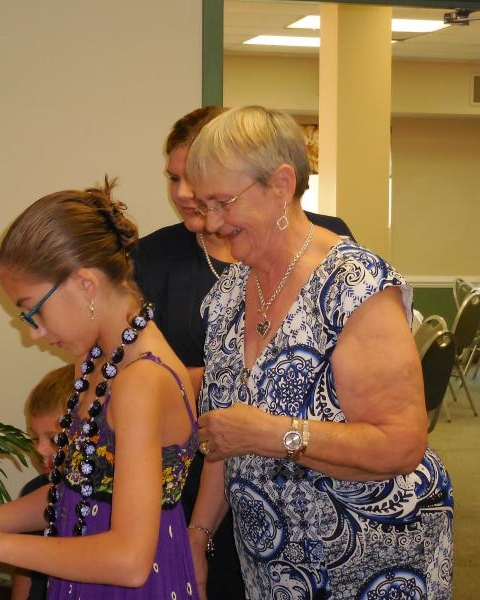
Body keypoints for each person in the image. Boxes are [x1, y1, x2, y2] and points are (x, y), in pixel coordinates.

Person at [185, 106, 454, 599]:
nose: (212, 222)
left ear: (281, 185)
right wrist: (198, 537)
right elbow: (225, 436)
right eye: (205, 205)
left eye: (223, 202)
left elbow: (401, 443)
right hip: (273, 567)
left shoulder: (355, 286)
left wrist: (275, 434)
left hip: (374, 561)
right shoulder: (227, 295)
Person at [0, 180, 200, 600]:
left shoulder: (142, 382)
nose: (34, 334)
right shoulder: (95, 361)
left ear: (85, 284)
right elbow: (81, 488)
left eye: (33, 310)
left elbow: (129, 560)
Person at [132, 106, 356, 599]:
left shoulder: (343, 266)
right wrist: (199, 531)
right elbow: (213, 420)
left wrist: (269, 426)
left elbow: (392, 435)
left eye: (215, 195)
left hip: (338, 524)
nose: (194, 204)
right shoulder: (193, 274)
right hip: (228, 506)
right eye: (177, 181)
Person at [10, 364, 74, 600]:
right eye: (35, 438)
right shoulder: (33, 492)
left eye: (55, 439)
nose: (40, 449)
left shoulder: (106, 500)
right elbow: (23, 569)